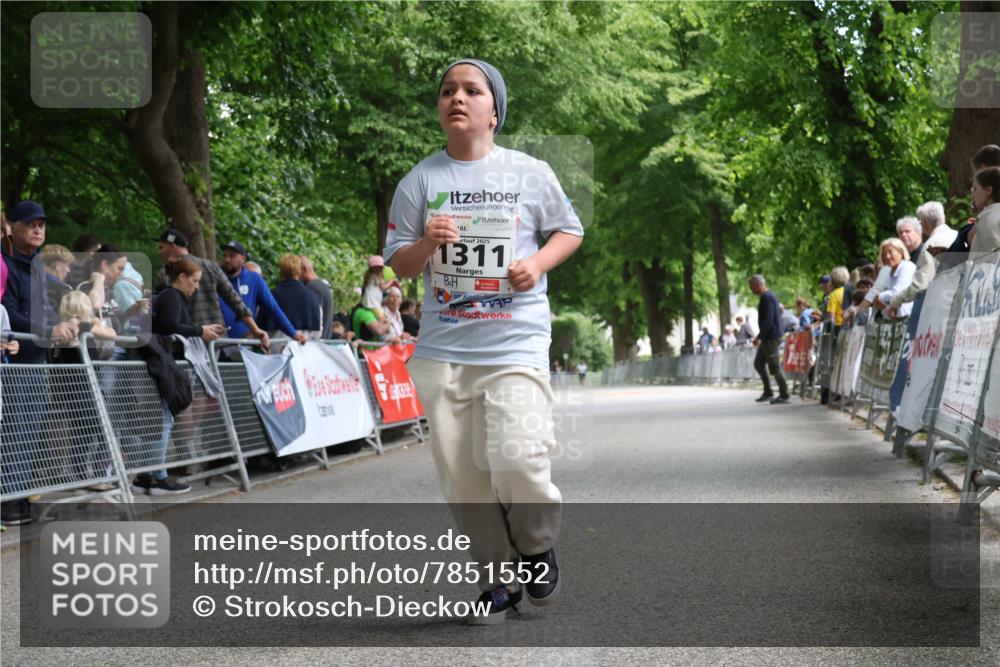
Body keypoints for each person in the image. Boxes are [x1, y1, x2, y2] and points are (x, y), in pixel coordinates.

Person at [384, 58, 583, 623]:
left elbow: (569, 229)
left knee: (518, 457)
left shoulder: (528, 172)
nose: (458, 97)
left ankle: (537, 544)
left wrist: (536, 264)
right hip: (444, 352)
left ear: (494, 110)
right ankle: (497, 580)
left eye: (473, 90)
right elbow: (398, 263)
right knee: (465, 479)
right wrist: (426, 243)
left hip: (514, 343)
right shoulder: (420, 181)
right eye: (448, 90)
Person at [0, 201, 78, 525]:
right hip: (14, 362)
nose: (38, 229)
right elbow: (9, 312)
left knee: (31, 429)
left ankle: (18, 496)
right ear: (13, 227)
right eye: (31, 223)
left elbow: (43, 309)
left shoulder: (39, 267)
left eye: (42, 224)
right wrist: (48, 329)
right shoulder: (5, 264)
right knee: (13, 431)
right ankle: (7, 499)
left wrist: (65, 327)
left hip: (36, 360)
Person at [144, 258, 226, 495]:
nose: (197, 287)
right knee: (164, 420)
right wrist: (200, 331)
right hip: (161, 363)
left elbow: (176, 325)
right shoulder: (171, 296)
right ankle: (156, 476)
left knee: (164, 420)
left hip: (163, 362)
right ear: (181, 278)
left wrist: (201, 329)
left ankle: (150, 474)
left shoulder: (172, 297)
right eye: (195, 281)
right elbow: (171, 326)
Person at [154, 228, 269, 351]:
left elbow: (164, 316)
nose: (159, 253)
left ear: (172, 247)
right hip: (217, 340)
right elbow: (234, 299)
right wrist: (255, 329)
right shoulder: (211, 266)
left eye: (161, 248)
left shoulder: (166, 273)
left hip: (188, 344)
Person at [218, 240, 306, 346]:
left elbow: (273, 308)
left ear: (243, 258)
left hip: (245, 343)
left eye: (232, 256)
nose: (227, 259)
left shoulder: (254, 279)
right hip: (218, 342)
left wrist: (292, 333)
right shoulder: (215, 278)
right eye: (225, 255)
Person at [885, 201, 957, 318]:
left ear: (924, 222)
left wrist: (895, 302)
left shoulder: (931, 245)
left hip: (941, 306)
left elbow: (920, 284)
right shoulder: (958, 236)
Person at [749, 274, 789, 404]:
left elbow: (768, 319)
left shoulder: (767, 297)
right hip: (767, 337)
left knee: (774, 366)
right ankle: (768, 391)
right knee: (759, 363)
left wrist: (759, 337)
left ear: (757, 285)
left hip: (770, 337)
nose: (751, 290)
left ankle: (784, 393)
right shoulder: (767, 297)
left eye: (751, 287)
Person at [268, 253, 321, 339]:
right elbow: (317, 332)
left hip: (275, 347)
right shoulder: (312, 297)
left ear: (281, 271)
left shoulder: (271, 295)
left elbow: (262, 325)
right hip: (303, 347)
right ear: (299, 270)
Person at [300, 255, 334, 338]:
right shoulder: (322, 286)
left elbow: (314, 318)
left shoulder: (312, 288)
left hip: (316, 343)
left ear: (303, 269)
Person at [970, 166, 1000, 255]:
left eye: (975, 189)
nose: (972, 195)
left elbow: (994, 258)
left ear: (988, 190)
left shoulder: (988, 219)